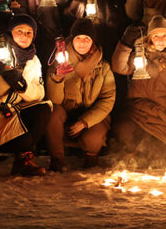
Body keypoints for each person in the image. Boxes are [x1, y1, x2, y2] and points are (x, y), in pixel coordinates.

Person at [0, 14, 51, 176]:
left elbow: (39, 93)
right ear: (11, 32)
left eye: (29, 33)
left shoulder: (33, 61)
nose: (24, 36)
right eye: (19, 31)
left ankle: (22, 160)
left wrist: (22, 86)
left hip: (9, 115)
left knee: (44, 108)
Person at [111, 16, 166, 164]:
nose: (160, 40)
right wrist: (125, 43)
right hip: (135, 115)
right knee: (126, 138)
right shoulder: (140, 57)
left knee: (157, 159)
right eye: (155, 36)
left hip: (161, 121)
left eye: (164, 36)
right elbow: (119, 67)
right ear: (149, 38)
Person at [45, 18, 116, 172]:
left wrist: (84, 122)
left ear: (93, 42)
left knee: (93, 138)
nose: (82, 43)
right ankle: (56, 159)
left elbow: (107, 100)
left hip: (91, 114)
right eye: (78, 38)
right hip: (65, 110)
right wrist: (57, 79)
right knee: (52, 114)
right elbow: (54, 100)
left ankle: (91, 160)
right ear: (72, 40)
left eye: (87, 39)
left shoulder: (103, 67)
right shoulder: (60, 62)